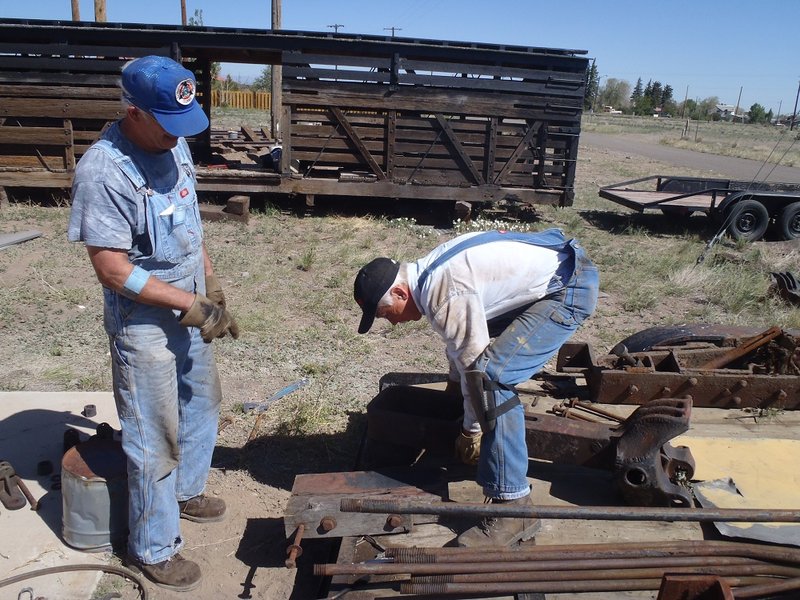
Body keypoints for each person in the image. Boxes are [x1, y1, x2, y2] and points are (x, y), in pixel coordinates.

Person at [68, 55, 239, 591]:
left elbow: (189, 225)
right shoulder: (104, 169)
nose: (176, 136)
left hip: (189, 302)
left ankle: (187, 492)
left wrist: (209, 286)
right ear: (133, 111)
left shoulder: (175, 141)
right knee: (153, 435)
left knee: (202, 403)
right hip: (143, 322)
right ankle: (154, 546)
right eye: (166, 125)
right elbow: (111, 268)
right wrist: (182, 303)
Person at [354, 228, 598, 547]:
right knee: (475, 370)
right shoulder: (429, 277)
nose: (392, 323)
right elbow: (459, 341)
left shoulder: (444, 291)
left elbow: (474, 366)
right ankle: (482, 429)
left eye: (386, 314)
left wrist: (471, 431)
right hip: (553, 275)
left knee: (492, 377)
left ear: (400, 293)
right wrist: (455, 400)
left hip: (568, 289)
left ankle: (514, 509)